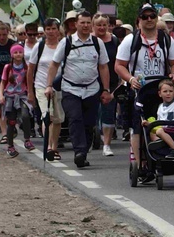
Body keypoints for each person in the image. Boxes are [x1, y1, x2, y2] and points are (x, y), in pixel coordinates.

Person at [114, 4, 174, 167]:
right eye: (145, 17)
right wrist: (130, 79)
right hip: (139, 89)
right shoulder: (131, 40)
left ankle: (163, 154)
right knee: (137, 126)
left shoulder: (166, 39)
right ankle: (140, 164)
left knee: (160, 123)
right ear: (139, 20)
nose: (149, 19)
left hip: (160, 89)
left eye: (152, 16)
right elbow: (119, 65)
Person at [45, 11, 113, 169]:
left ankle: (84, 151)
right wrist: (49, 85)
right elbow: (54, 64)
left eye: (88, 22)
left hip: (92, 89)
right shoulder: (67, 42)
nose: (85, 25)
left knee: (89, 123)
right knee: (75, 119)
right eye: (82, 22)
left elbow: (103, 67)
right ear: (75, 24)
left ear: (91, 24)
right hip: (70, 88)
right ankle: (79, 152)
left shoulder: (97, 43)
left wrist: (106, 89)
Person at [27, 17, 64, 161]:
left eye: (53, 28)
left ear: (58, 30)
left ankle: (54, 147)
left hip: (59, 86)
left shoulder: (63, 45)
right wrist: (30, 91)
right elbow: (30, 70)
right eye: (48, 29)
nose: (51, 32)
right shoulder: (39, 46)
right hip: (41, 85)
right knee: (47, 116)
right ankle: (48, 146)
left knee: (58, 119)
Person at [92, 13, 120, 156]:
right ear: (93, 26)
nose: (102, 28)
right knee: (93, 113)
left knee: (109, 112)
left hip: (111, 81)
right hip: (91, 81)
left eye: (105, 25)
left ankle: (107, 145)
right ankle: (94, 134)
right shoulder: (89, 40)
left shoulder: (114, 40)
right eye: (99, 25)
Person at [0, 44, 34, 157]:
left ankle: (27, 139)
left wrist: (30, 94)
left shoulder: (26, 67)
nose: (18, 54)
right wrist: (1, 96)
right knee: (11, 121)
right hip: (9, 96)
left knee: (25, 115)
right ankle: (10, 146)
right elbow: (3, 83)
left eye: (20, 52)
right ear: (12, 55)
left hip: (22, 95)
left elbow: (28, 82)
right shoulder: (8, 67)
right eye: (16, 52)